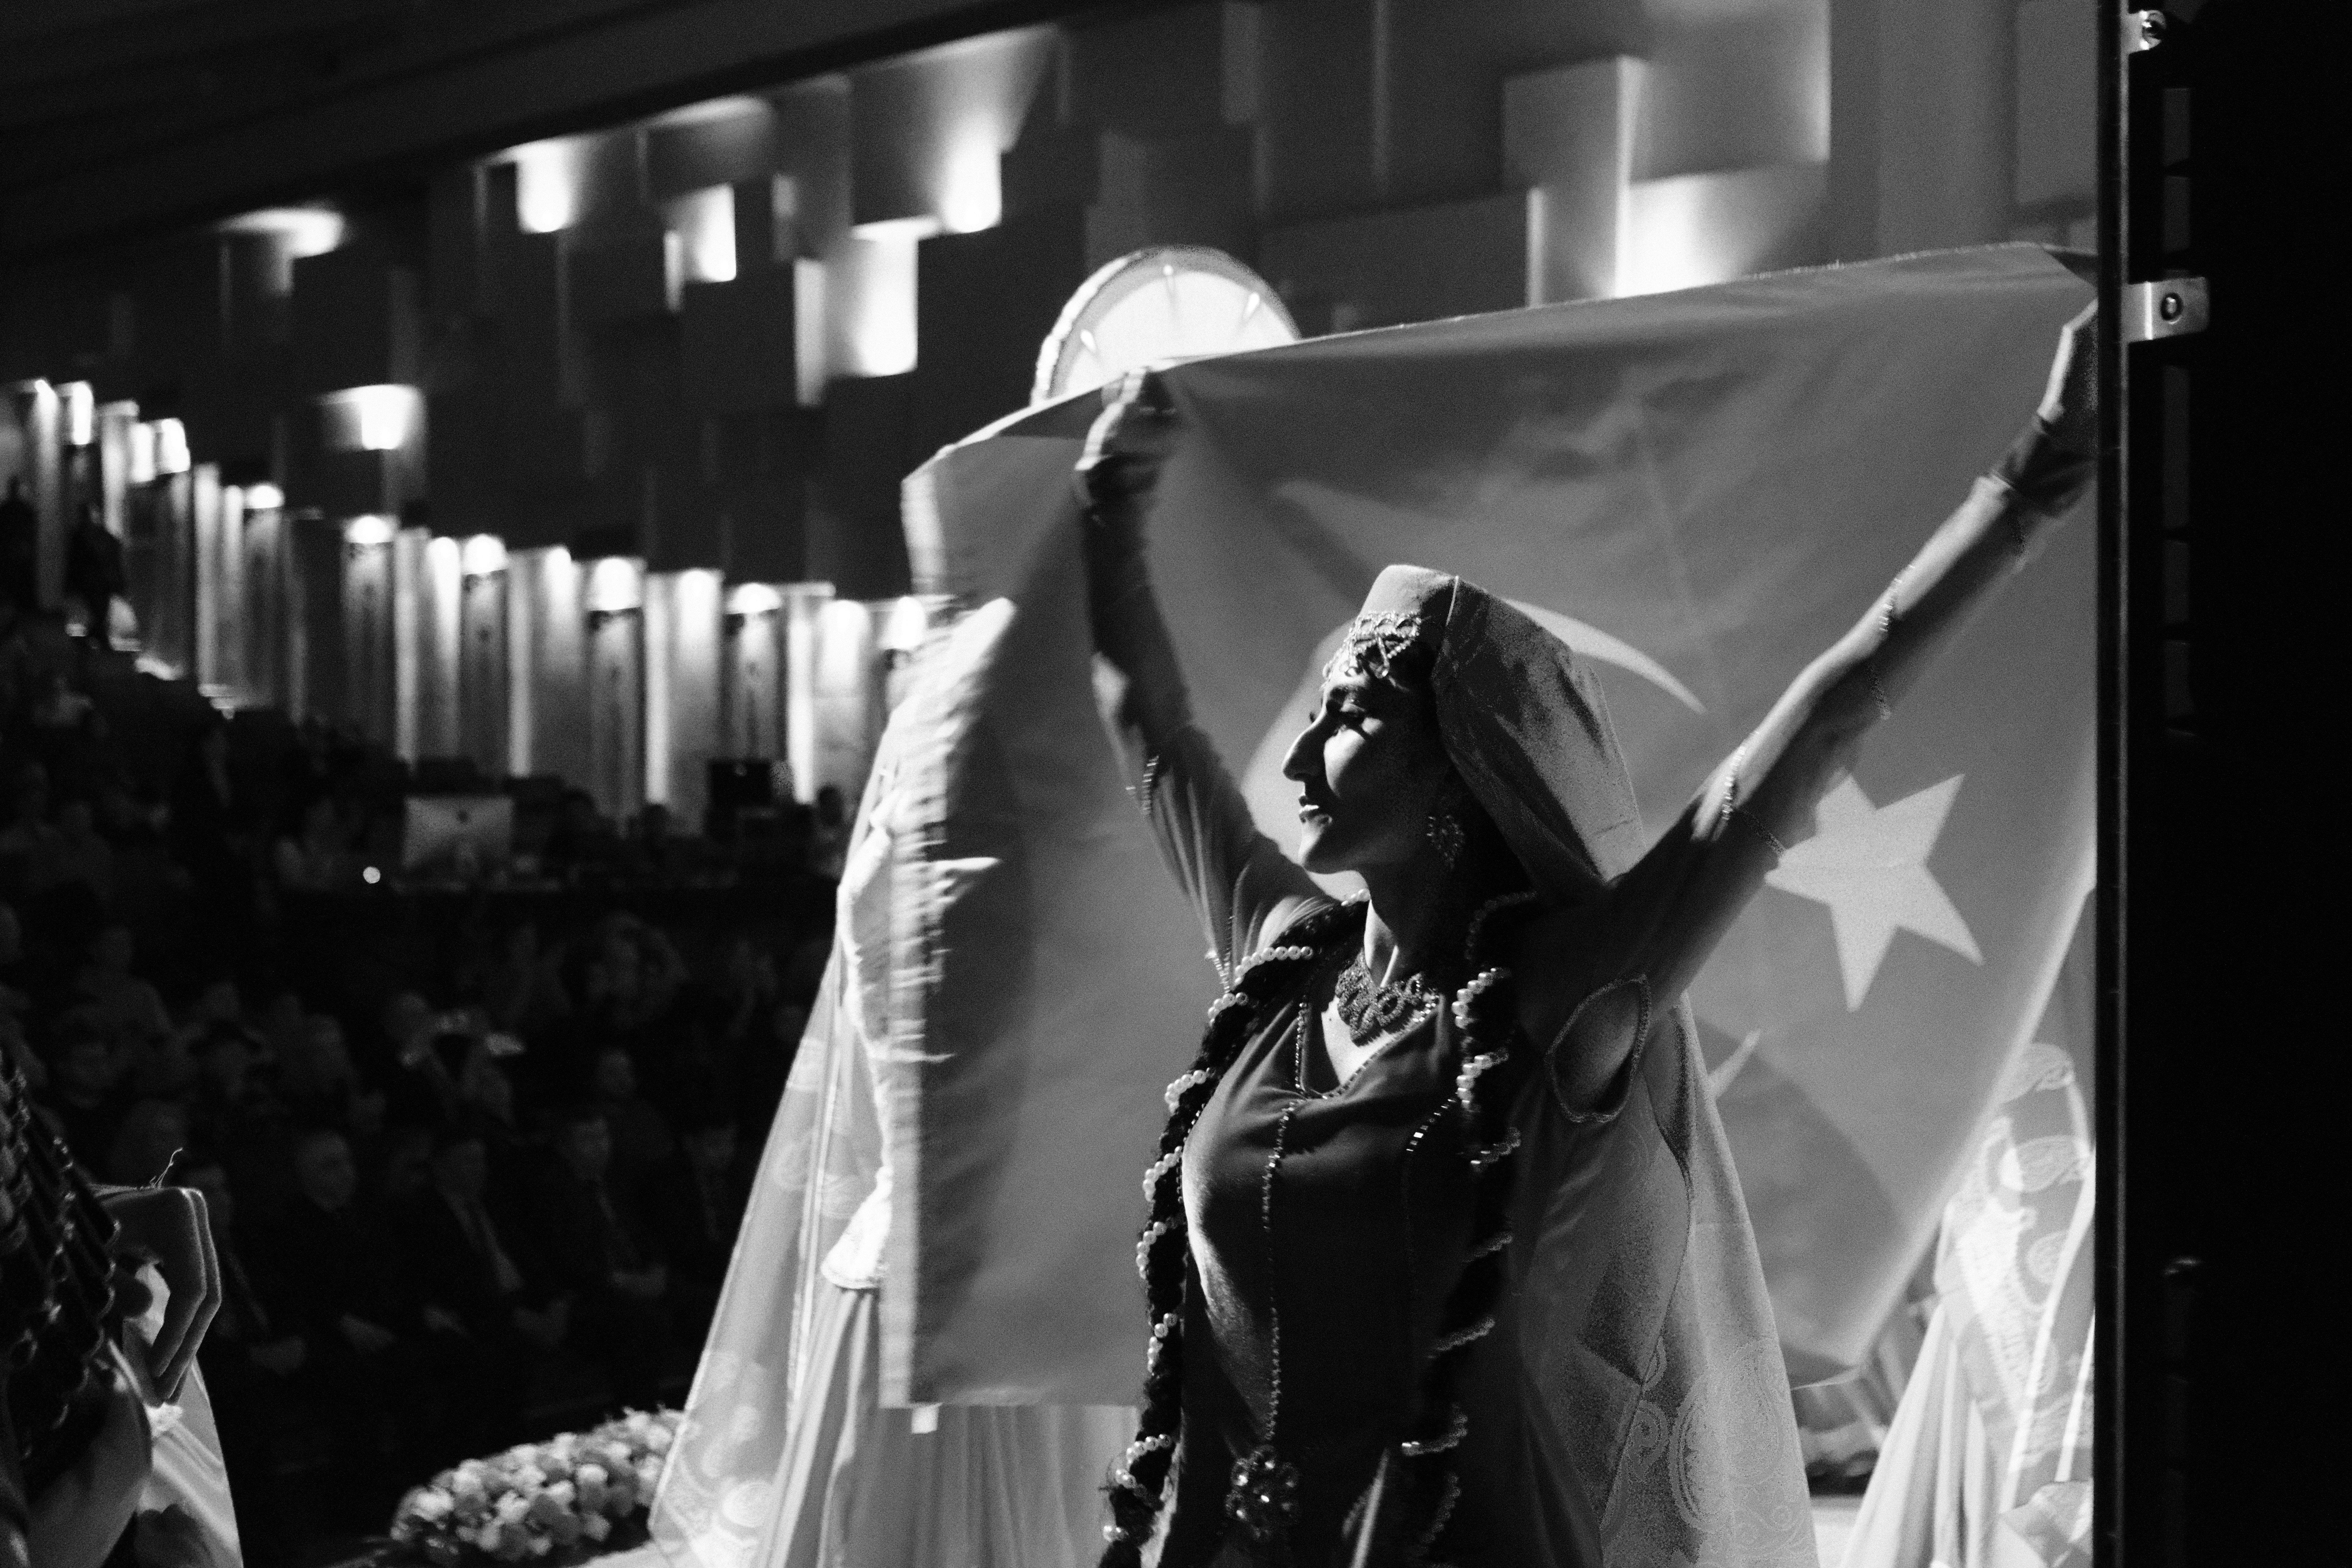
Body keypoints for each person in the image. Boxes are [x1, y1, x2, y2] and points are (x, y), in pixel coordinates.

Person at [1074, 305, 2099, 1567]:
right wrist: (1107, 511)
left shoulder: (1558, 1006)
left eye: (1349, 713)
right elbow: (1156, 737)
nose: (1295, 752)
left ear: (1459, 762)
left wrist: (2031, 486)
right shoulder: (1283, 967)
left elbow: (1802, 747)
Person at [62, 503, 126, 653]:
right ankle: (96, 639)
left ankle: (92, 639)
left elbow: (74, 562)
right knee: (99, 611)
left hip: (92, 582)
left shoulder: (81, 536)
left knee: (98, 612)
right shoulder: (97, 535)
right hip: (99, 581)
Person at [0, 478, 36, 627]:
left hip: (10, 557)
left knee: (11, 590)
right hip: (20, 556)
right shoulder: (24, 510)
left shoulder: (6, 510)